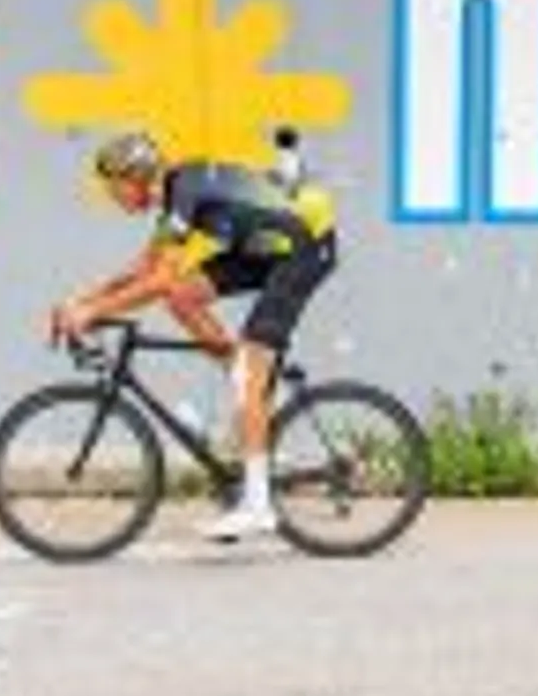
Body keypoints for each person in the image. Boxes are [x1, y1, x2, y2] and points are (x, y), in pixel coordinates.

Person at [48, 130, 340, 541]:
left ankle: (258, 508)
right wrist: (82, 300)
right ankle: (248, 402)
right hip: (270, 246)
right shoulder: (175, 196)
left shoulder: (184, 191)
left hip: (302, 250)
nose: (114, 198)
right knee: (183, 297)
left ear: (135, 178)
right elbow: (144, 269)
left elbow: (158, 279)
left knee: (247, 371)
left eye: (115, 188)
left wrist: (92, 312)